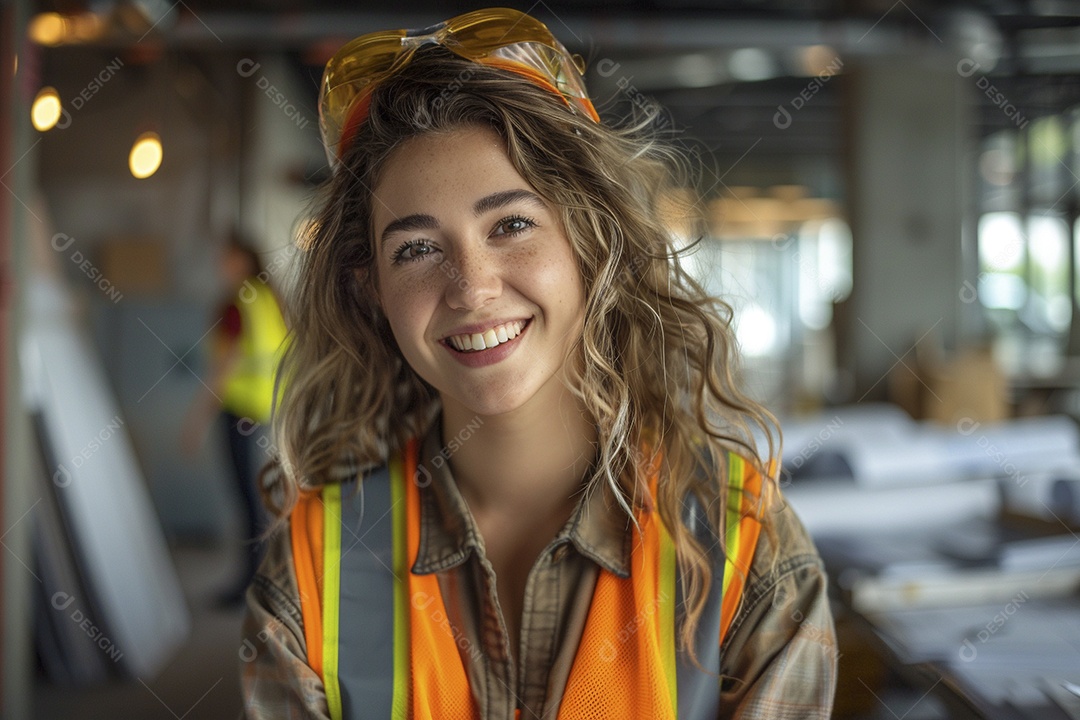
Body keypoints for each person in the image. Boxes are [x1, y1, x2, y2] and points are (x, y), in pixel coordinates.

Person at [240, 8, 837, 719]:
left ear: (591, 242)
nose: (471, 288)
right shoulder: (312, 568)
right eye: (416, 249)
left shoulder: (746, 546)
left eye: (512, 225)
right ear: (372, 288)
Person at [183, 233, 288, 606]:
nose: (219, 265)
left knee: (247, 500)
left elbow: (225, 368)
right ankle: (259, 579)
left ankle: (249, 583)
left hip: (241, 410)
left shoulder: (237, 304)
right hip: (265, 411)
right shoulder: (267, 298)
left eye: (226, 258)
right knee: (257, 499)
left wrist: (196, 420)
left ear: (243, 260)